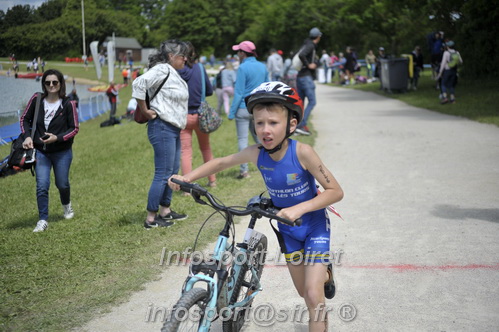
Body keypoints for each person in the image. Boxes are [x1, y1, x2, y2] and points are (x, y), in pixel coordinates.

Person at [169, 81, 344, 332]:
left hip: (314, 225)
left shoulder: (303, 152)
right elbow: (220, 163)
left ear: (291, 125)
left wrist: (300, 208)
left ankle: (322, 276)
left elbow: (336, 191)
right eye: (260, 123)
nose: (265, 129)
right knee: (302, 291)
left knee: (313, 295)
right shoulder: (257, 153)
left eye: (273, 123)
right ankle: (325, 273)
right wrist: (187, 178)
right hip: (288, 231)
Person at [131, 39, 190, 229]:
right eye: (182, 56)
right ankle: (151, 217)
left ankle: (165, 210)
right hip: (162, 127)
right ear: (172, 56)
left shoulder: (172, 72)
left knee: (172, 172)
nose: (185, 59)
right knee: (163, 173)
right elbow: (139, 83)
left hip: (173, 128)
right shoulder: (162, 69)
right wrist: (145, 110)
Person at [20, 69, 80, 232]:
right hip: (41, 152)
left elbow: (74, 128)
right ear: (43, 84)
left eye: (55, 82)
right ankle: (42, 220)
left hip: (62, 152)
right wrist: (27, 136)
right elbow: (25, 119)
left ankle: (66, 205)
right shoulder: (36, 99)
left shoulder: (68, 103)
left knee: (62, 184)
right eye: (48, 83)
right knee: (42, 185)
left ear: (60, 84)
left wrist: (57, 138)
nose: (51, 85)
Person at [177, 42, 217, 189]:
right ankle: (212, 181)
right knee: (206, 148)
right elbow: (209, 91)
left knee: (185, 151)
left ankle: (187, 188)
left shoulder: (176, 71)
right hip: (201, 115)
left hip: (183, 116)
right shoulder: (200, 68)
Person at [229, 40, 268, 179]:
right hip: (258, 109)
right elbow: (267, 87)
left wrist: (232, 112)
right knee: (260, 138)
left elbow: (239, 92)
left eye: (238, 52)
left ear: (242, 53)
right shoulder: (263, 66)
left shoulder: (242, 68)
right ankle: (267, 165)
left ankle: (244, 171)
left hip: (243, 109)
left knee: (243, 140)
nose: (237, 54)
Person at [295, 27, 322, 136]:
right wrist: (309, 65)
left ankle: (296, 126)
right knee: (312, 101)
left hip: (300, 76)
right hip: (306, 78)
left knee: (301, 102)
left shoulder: (305, 44)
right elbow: (302, 55)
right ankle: (301, 125)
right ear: (318, 36)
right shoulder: (310, 45)